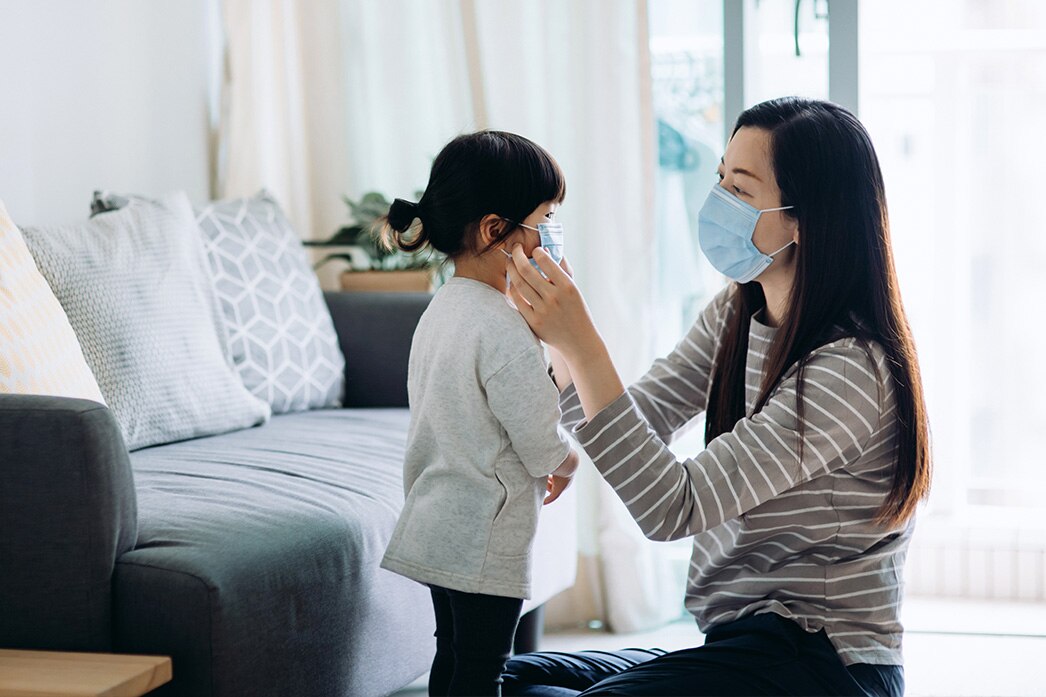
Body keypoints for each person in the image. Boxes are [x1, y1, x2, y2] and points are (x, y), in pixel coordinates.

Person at [500, 97, 931, 697]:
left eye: (742, 188)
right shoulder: (739, 310)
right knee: (499, 680)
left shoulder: (850, 369)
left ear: (805, 217)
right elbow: (636, 421)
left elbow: (671, 508)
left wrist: (584, 341)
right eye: (720, 180)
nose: (719, 202)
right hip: (740, 645)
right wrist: (561, 341)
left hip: (824, 662)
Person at [379, 130, 580, 697]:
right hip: (484, 536)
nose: (554, 232)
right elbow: (540, 439)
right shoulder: (503, 326)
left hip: (436, 520)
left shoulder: (441, 308)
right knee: (484, 669)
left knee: (454, 655)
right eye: (546, 216)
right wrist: (569, 462)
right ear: (496, 230)